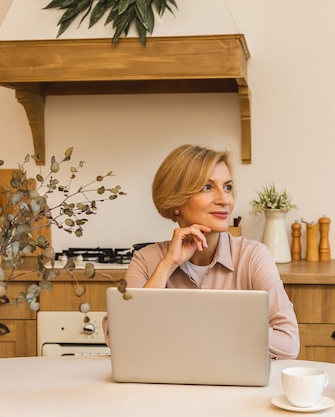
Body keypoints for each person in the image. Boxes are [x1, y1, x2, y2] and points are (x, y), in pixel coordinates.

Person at [103, 144, 300, 360]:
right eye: (207, 187)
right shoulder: (147, 260)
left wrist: (204, 325)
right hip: (166, 388)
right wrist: (168, 264)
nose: (225, 200)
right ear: (176, 200)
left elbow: (288, 345)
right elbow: (122, 339)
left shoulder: (253, 257)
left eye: (227, 187)